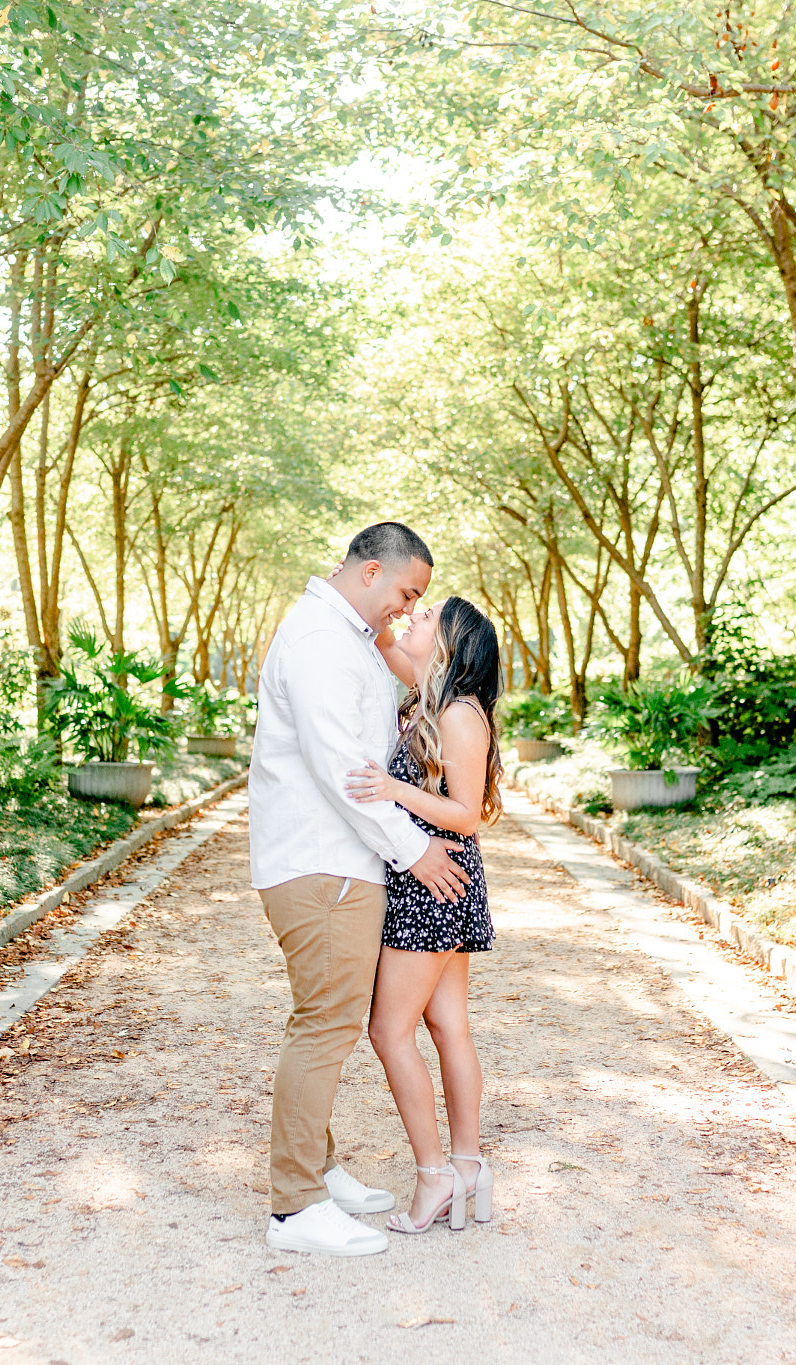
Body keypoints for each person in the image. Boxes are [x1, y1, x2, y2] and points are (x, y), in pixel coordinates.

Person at [248, 521, 473, 1258]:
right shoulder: (318, 640)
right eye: (406, 592)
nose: (406, 609)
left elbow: (408, 699)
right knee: (325, 1025)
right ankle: (295, 1206)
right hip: (323, 864)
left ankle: (316, 1167)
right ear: (371, 571)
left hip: (341, 864)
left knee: (329, 1021)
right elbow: (346, 776)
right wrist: (417, 855)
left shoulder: (346, 637)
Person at [346, 595, 502, 1235]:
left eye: (428, 615)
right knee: (447, 1025)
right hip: (432, 874)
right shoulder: (431, 697)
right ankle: (467, 1168)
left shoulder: (460, 713)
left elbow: (467, 813)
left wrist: (391, 788)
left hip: (434, 877)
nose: (414, 616)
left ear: (452, 642)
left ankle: (436, 1172)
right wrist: (370, 599)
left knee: (390, 1031)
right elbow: (380, 636)